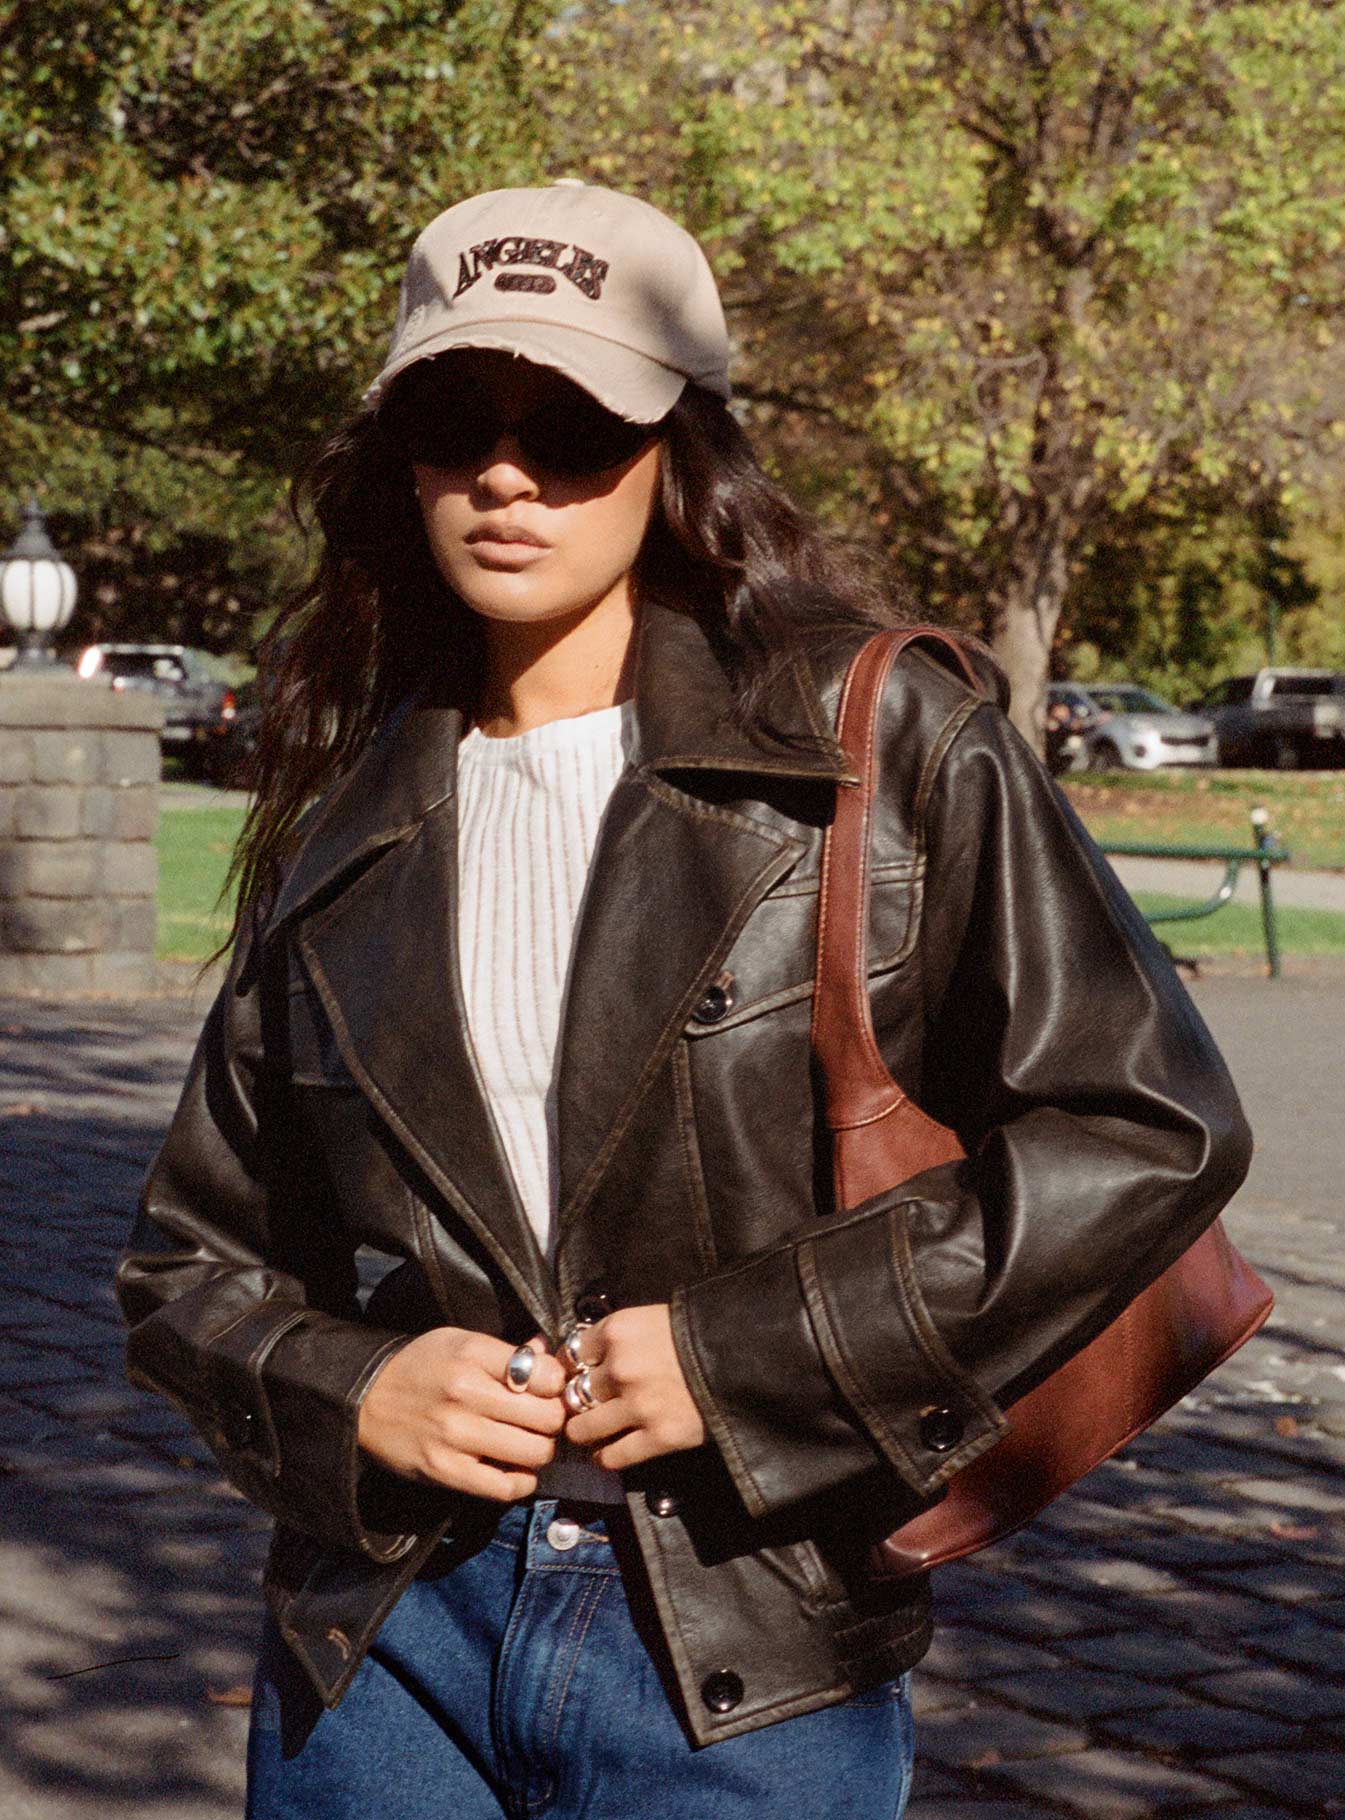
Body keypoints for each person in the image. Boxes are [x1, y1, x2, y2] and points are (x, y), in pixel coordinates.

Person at [116, 181, 1253, 1819]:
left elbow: (1142, 1127)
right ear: (399, 461)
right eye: (451, 422)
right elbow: (190, 1264)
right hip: (382, 1648)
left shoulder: (877, 742)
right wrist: (353, 1386)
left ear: (677, 449)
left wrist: (737, 1356)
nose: (507, 477)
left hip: (745, 1648)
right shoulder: (348, 812)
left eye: (574, 427)